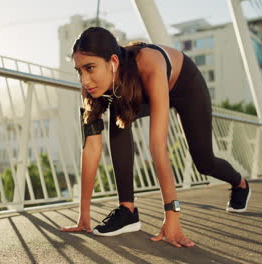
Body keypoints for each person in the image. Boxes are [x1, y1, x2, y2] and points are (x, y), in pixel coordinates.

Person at [60, 27, 251, 248]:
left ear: (112, 62)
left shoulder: (149, 64)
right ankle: (127, 211)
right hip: (137, 90)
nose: (84, 79)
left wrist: (172, 217)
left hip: (186, 86)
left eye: (90, 68)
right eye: (79, 71)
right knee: (117, 117)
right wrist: (84, 215)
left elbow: (158, 147)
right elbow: (91, 149)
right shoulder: (90, 87)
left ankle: (241, 184)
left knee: (204, 162)